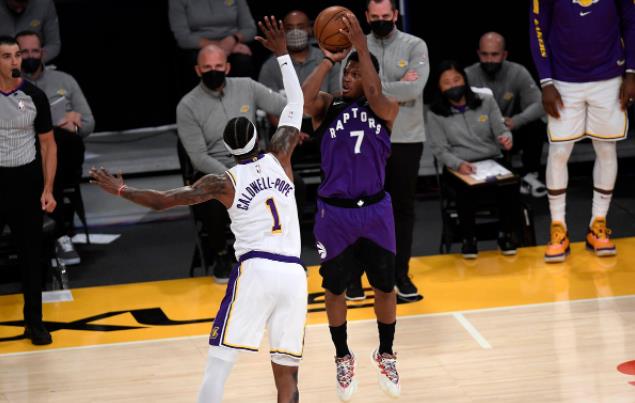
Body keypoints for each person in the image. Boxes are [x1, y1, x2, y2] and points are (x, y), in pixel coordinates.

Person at [90, 17, 306, 403]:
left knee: (219, 362)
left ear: (229, 149)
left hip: (257, 272)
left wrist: (120, 188)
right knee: (287, 375)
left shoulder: (223, 182)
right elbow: (296, 103)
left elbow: (163, 200)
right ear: (258, 138)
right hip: (294, 273)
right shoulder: (281, 157)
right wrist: (283, 56)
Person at [302, 13, 401, 400]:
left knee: (385, 286)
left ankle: (386, 352)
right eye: (347, 72)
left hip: (376, 211)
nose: (348, 78)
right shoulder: (327, 107)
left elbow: (374, 93)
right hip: (336, 214)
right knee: (335, 288)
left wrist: (361, 47)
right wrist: (329, 60)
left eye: (356, 73)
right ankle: (343, 356)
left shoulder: (385, 108)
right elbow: (303, 101)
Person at [530, 0, 635, 262]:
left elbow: (632, 23)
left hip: (609, 76)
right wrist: (545, 81)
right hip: (563, 79)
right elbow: (537, 28)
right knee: (558, 151)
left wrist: (631, 72)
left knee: (606, 148)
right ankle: (558, 228)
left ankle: (598, 224)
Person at [176, 42, 286, 282]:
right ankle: (221, 255)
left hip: (253, 163)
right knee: (211, 199)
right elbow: (198, 157)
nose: (213, 71)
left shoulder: (247, 86)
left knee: (293, 185)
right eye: (207, 67)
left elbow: (283, 105)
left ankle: (280, 249)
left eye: (218, 66)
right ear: (198, 70)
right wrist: (235, 178)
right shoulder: (187, 106)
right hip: (214, 169)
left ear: (227, 67)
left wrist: (289, 128)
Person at [344, 0, 429, 301]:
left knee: (402, 210)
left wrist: (373, 88)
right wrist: (393, 87)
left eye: (386, 15)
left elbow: (414, 89)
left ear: (395, 15)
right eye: (375, 16)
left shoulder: (415, 45)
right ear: (366, 17)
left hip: (406, 139)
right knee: (360, 209)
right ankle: (355, 276)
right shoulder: (354, 47)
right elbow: (350, 89)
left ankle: (399, 274)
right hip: (364, 138)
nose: (381, 20)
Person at [16, 30, 95, 266]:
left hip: (65, 154)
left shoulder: (64, 80)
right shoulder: (7, 84)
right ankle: (60, 235)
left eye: (35, 51)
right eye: (24, 52)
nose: (30, 56)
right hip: (26, 156)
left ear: (43, 53)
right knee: (44, 156)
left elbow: (89, 122)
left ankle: (50, 233)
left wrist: (74, 124)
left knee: (59, 142)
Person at [427, 60, 520, 259]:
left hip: (492, 160)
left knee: (510, 184)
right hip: (459, 166)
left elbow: (502, 131)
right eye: (446, 82)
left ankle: (505, 234)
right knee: (464, 189)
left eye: (457, 79)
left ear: (465, 80)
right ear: (439, 87)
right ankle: (469, 239)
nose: (453, 85)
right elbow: (439, 150)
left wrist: (506, 138)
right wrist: (458, 164)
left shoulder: (486, 101)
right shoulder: (435, 113)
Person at [0, 35, 56, 345]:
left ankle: (34, 323)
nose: (14, 61)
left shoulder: (35, 95)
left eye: (17, 55)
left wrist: (48, 188)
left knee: (31, 256)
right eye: (6, 56)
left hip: (26, 180)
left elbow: (48, 145)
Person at [466, 32, 547, 197]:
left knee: (536, 125)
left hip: (509, 128)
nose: (489, 60)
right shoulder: (468, 75)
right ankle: (499, 179)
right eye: (484, 54)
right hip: (481, 134)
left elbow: (540, 104)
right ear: (478, 54)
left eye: (494, 54)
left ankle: (530, 174)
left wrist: (516, 121)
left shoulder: (517, 72)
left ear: (504, 55)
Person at [169, 0, 256, 81]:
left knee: (243, 59)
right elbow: (183, 37)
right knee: (196, 61)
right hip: (198, 46)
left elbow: (250, 29)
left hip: (233, 43)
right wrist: (224, 47)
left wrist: (234, 39)